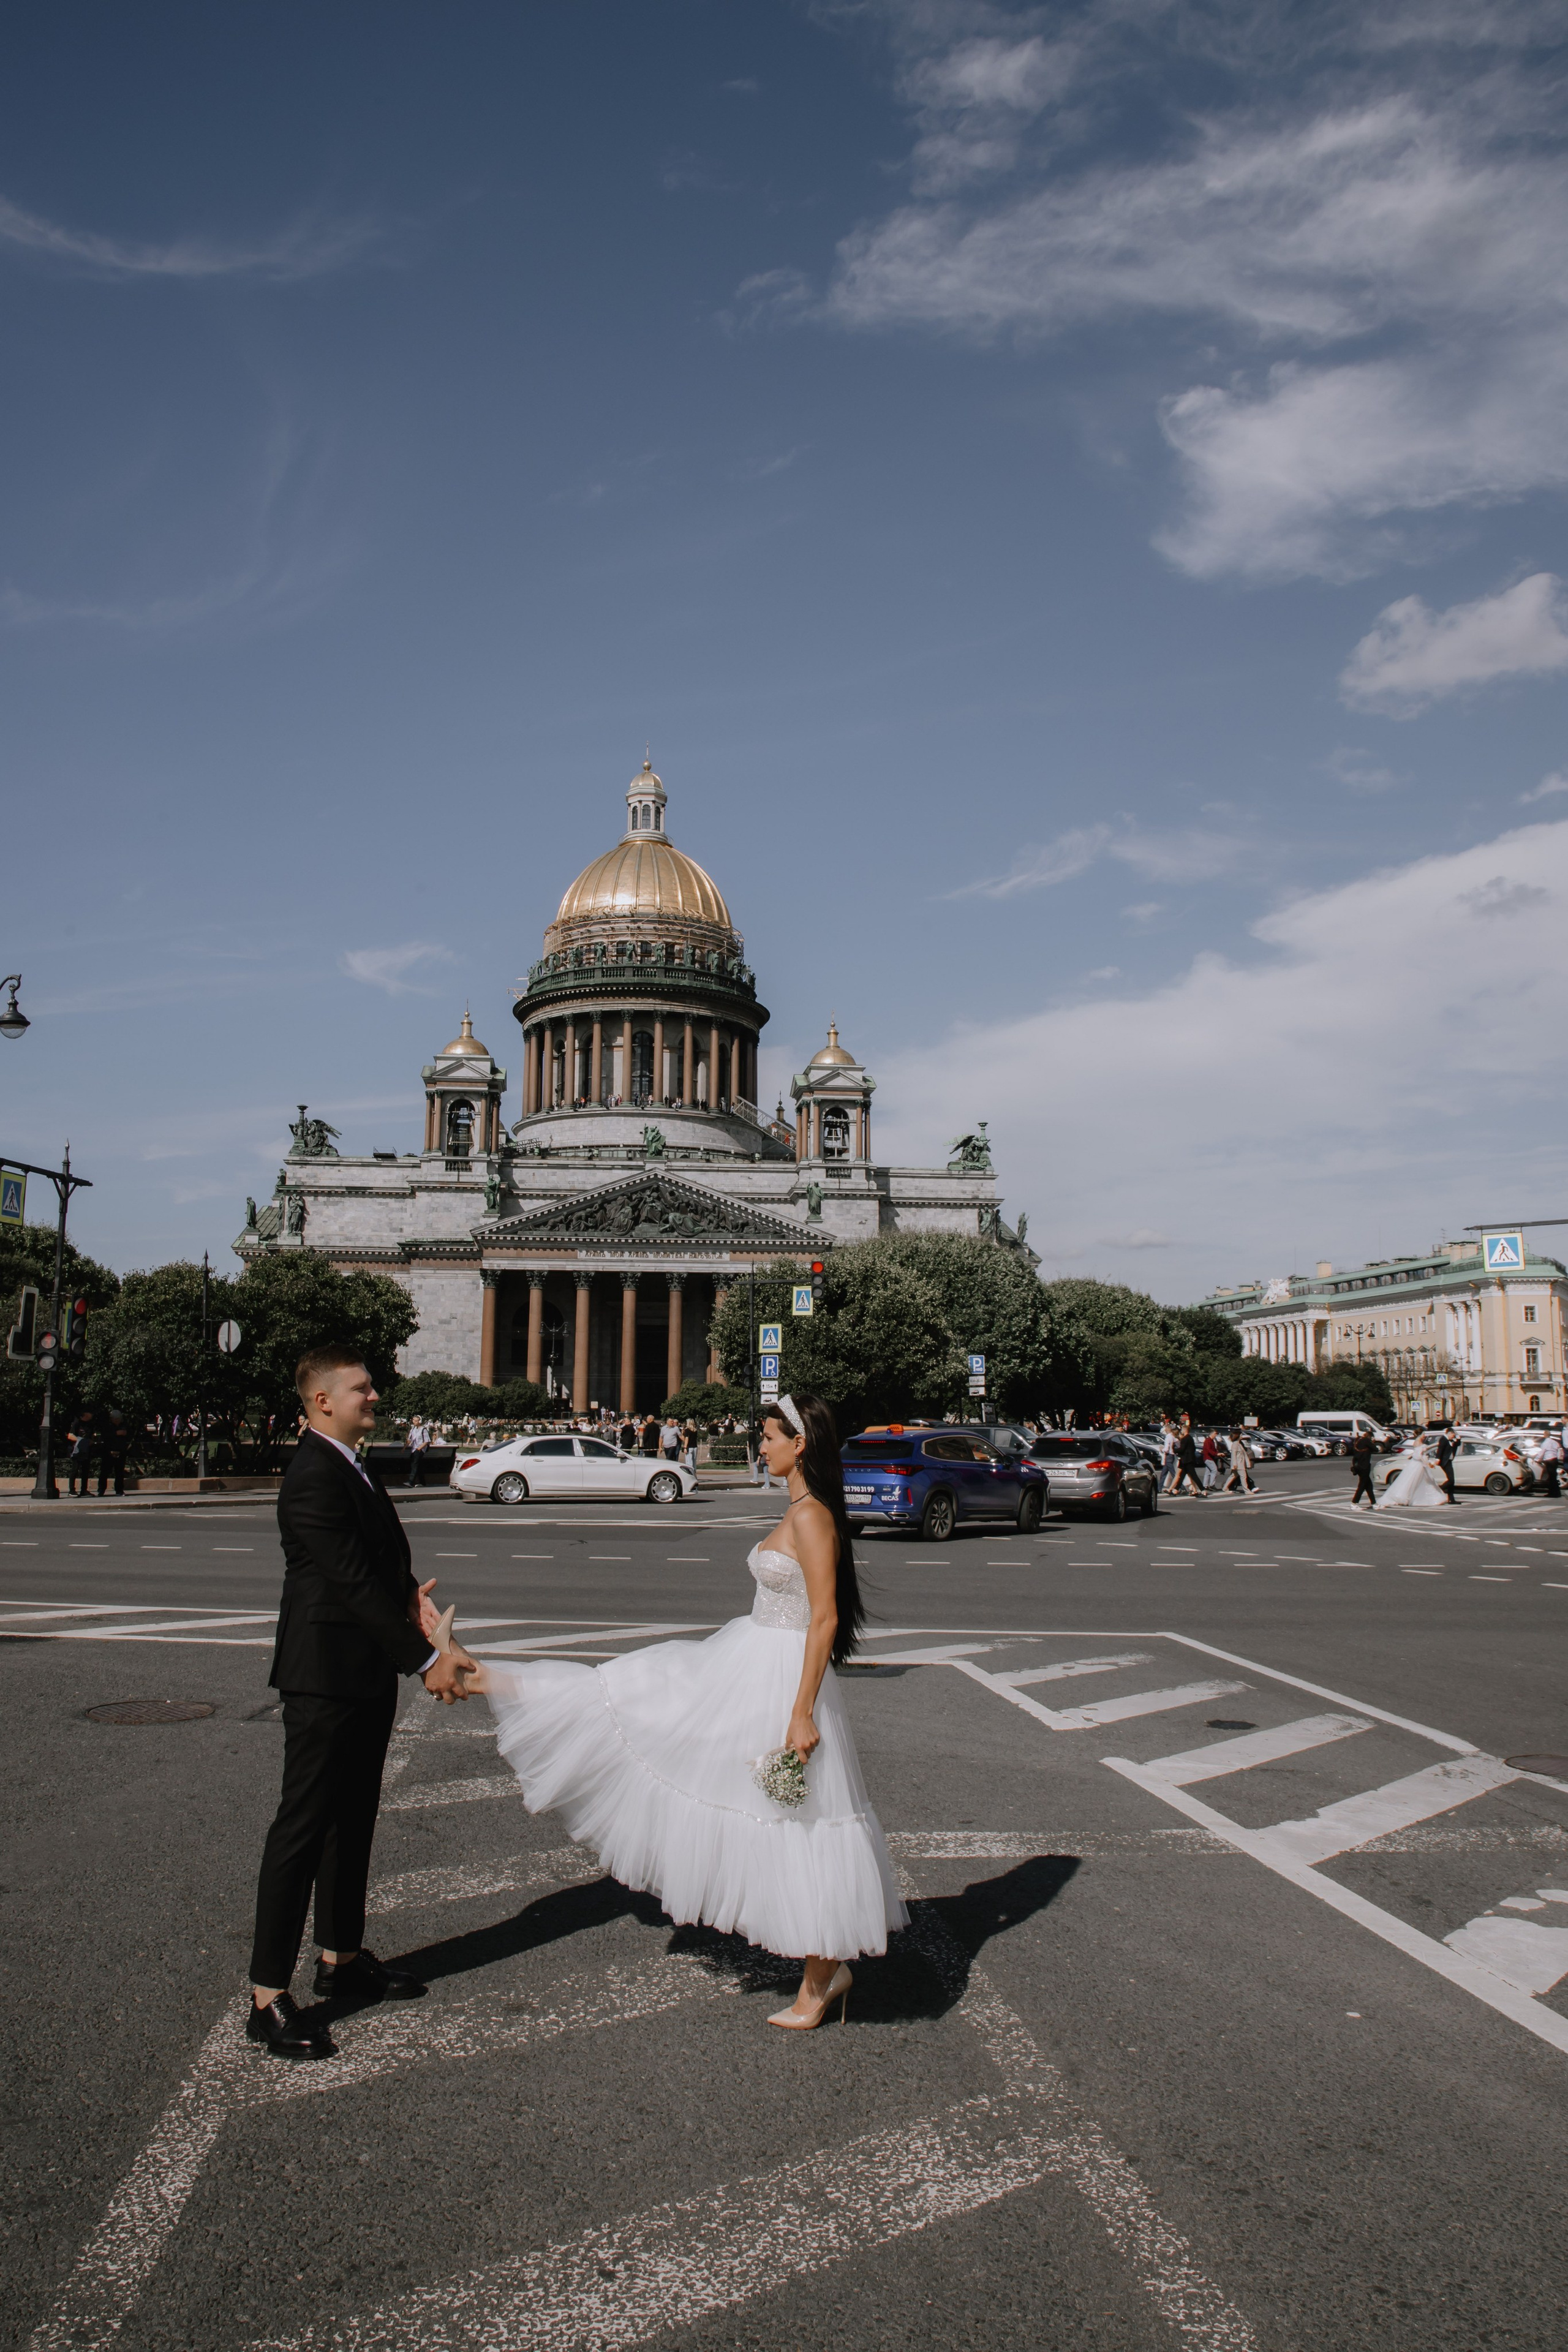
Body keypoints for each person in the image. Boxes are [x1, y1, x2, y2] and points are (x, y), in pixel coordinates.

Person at [473, 1393, 905, 2026]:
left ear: (799, 1444)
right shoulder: (801, 1509)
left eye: (766, 1437)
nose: (760, 1447)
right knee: (649, 1705)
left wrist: (802, 1710)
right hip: (753, 1659)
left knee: (797, 1816)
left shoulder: (811, 1517)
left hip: (781, 1675)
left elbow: (825, 1619)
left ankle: (821, 1980)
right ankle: (489, 1678)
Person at [247, 1346, 476, 2059]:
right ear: (322, 1401)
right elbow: (346, 1580)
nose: (374, 1398)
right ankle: (266, 1996)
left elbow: (378, 1563)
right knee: (304, 1826)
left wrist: (411, 1599)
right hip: (323, 1675)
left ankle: (341, 1959)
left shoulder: (350, 1462)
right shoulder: (313, 1474)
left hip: (363, 1669)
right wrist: (428, 1660)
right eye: (362, 1390)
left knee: (353, 1820)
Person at [1378, 1432, 1449, 1510]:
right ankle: (1412, 1497)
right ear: (1421, 1435)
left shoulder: (1419, 1442)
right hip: (1418, 1464)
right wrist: (1426, 1461)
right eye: (1424, 1436)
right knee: (1415, 1480)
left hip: (1420, 1464)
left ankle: (1433, 1497)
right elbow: (1418, 1456)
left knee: (1424, 1480)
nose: (1424, 1437)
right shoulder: (1418, 1442)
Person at [96, 1405, 130, 1497]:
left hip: (120, 1451)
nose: (117, 1420)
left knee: (119, 1472)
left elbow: (129, 1435)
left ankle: (119, 1490)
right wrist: (116, 1433)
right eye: (115, 1419)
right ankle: (101, 1490)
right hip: (109, 1451)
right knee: (105, 1472)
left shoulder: (123, 1425)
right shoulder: (107, 1426)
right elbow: (104, 1435)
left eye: (118, 1419)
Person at [66, 1408, 96, 1498]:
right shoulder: (77, 1422)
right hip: (77, 1450)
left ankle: (84, 1490)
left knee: (85, 1470)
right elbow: (70, 1436)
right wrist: (83, 1441)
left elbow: (92, 1435)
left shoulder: (91, 1424)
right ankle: (72, 1490)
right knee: (75, 1469)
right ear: (86, 1414)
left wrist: (91, 1441)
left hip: (87, 1450)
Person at [1219, 1428, 1257, 1496]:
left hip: (1240, 1463)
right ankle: (1247, 1490)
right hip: (1238, 1464)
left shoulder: (1239, 1444)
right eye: (1241, 1435)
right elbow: (1233, 1455)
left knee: (1233, 1476)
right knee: (1243, 1477)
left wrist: (1247, 1463)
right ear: (1238, 1436)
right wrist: (1234, 1464)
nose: (1242, 1436)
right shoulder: (1235, 1444)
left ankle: (1225, 1488)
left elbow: (1244, 1455)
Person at [1171, 1422, 1204, 1499]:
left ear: (1185, 1430)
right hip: (1187, 1459)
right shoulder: (1190, 1438)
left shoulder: (1185, 1439)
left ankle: (1203, 1490)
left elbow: (1182, 1449)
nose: (1181, 1431)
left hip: (1187, 1460)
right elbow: (1193, 1449)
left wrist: (1174, 1450)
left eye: (1182, 1429)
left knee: (1194, 1476)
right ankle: (1175, 1490)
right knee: (1182, 1476)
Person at [1349, 1428, 1378, 1509]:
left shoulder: (1358, 1440)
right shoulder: (1366, 1441)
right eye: (1372, 1438)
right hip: (1364, 1466)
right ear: (1370, 1437)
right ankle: (1354, 1503)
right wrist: (1373, 1442)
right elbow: (1376, 1449)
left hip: (1357, 1465)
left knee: (1369, 1486)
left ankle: (1374, 1503)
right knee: (1362, 1485)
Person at [1534, 1425, 1564, 1500]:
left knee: (1551, 1478)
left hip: (1549, 1461)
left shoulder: (1545, 1443)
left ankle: (1553, 1493)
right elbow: (1559, 1451)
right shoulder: (1555, 1442)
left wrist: (1537, 1459)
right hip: (1555, 1460)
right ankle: (1557, 1492)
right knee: (1554, 1477)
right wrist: (1558, 1458)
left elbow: (1542, 1452)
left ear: (1545, 1435)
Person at [404, 1415, 430, 1489]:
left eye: (416, 1421)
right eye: (413, 1420)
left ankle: (410, 1482)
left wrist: (419, 1448)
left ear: (420, 1421)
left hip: (419, 1450)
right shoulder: (413, 1429)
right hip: (414, 1449)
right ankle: (423, 1482)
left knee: (414, 1464)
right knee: (418, 1466)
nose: (414, 1422)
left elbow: (427, 1441)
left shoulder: (423, 1430)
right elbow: (409, 1440)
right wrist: (404, 1447)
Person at [1434, 1426, 1459, 1504]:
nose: (1454, 1436)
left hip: (1449, 1461)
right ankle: (1440, 1489)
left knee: (1451, 1481)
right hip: (1445, 1462)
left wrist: (1458, 1438)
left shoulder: (1450, 1440)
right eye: (1453, 1435)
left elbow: (1458, 1444)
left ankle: (1451, 1499)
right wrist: (1437, 1459)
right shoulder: (1443, 1439)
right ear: (1450, 1433)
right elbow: (1440, 1449)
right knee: (1451, 1480)